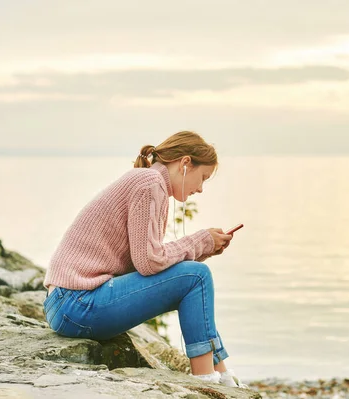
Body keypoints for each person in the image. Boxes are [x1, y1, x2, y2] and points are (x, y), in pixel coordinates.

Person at [42, 131, 247, 387]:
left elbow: (152, 260)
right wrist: (200, 241)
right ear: (185, 163)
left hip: (69, 303)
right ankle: (206, 381)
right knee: (197, 276)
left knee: (194, 277)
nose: (201, 188)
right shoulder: (149, 183)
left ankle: (222, 376)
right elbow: (149, 262)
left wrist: (204, 247)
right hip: (76, 303)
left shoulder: (149, 182)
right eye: (202, 177)